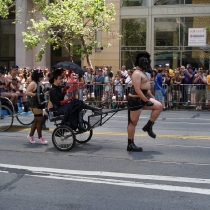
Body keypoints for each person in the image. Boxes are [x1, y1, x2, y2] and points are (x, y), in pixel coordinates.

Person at [127, 52, 163, 152]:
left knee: (159, 106)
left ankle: (148, 126)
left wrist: (152, 98)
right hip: (135, 100)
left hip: (143, 97)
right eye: (144, 62)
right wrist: (146, 101)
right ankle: (130, 144)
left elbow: (146, 89)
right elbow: (138, 89)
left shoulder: (143, 72)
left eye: (147, 62)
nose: (146, 64)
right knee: (133, 122)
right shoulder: (137, 73)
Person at [26, 69, 48, 144]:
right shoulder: (33, 83)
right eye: (41, 76)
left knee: (36, 121)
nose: (42, 77)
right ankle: (40, 137)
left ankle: (31, 135)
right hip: (34, 103)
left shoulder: (39, 83)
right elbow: (27, 92)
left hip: (39, 103)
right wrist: (35, 94)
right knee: (40, 120)